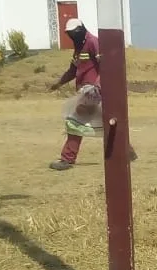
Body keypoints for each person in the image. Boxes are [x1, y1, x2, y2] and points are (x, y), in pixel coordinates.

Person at [47, 18, 137, 169]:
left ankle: (67, 158)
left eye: (74, 33)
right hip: (87, 91)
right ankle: (128, 151)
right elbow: (73, 70)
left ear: (81, 29)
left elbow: (105, 65)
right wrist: (59, 83)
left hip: (93, 92)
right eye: (69, 34)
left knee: (74, 121)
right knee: (108, 123)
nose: (72, 36)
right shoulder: (78, 48)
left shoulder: (93, 42)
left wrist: (97, 86)